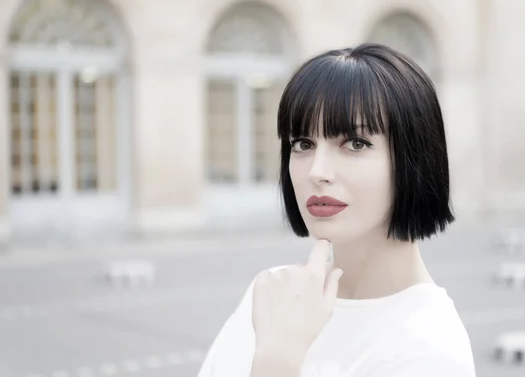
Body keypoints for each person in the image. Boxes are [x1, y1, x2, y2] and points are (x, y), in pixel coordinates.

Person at [196, 43, 476, 377]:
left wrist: (278, 363)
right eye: (302, 144)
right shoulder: (275, 292)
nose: (317, 171)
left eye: (355, 144)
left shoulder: (430, 350)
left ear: (415, 159)